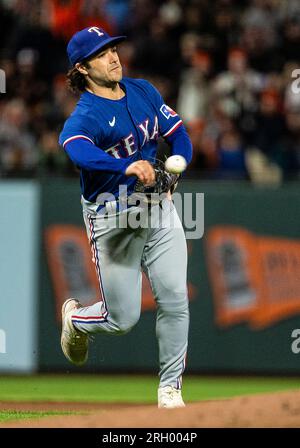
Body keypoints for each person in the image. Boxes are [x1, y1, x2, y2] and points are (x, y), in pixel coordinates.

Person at [58, 26, 193, 408]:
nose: (114, 56)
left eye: (114, 48)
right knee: (123, 319)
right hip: (112, 217)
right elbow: (76, 149)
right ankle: (77, 320)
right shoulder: (85, 115)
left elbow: (179, 135)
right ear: (82, 67)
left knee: (175, 297)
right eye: (102, 54)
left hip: (157, 209)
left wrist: (177, 168)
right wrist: (126, 166)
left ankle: (170, 390)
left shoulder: (143, 90)